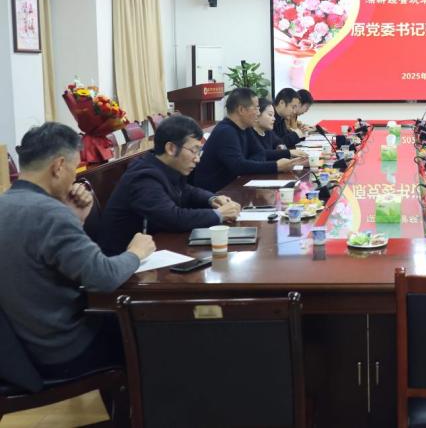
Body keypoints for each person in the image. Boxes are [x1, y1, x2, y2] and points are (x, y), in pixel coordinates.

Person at [0, 123, 155, 379]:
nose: (75, 177)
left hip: (14, 353)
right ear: (59, 166)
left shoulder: (8, 204)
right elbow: (103, 278)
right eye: (74, 168)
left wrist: (75, 219)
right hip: (59, 351)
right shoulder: (50, 214)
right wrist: (136, 253)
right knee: (152, 333)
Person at [98, 115, 243, 256]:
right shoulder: (143, 177)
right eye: (194, 151)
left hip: (152, 249)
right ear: (171, 148)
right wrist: (218, 214)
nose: (197, 159)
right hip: (124, 260)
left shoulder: (162, 165)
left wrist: (212, 199)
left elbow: (186, 190)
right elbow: (173, 218)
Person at [194, 88, 305, 192]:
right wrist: (276, 166)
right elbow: (239, 166)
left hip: (234, 187)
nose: (258, 113)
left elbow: (260, 153)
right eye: (256, 108)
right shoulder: (226, 131)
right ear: (241, 110)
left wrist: (251, 162)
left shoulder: (245, 128)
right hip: (214, 193)